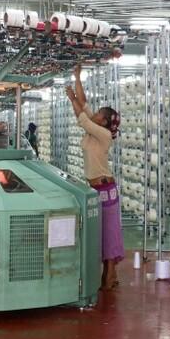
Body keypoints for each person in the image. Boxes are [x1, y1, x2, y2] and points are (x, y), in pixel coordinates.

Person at [65, 64, 123, 290]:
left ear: (105, 122)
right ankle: (112, 275)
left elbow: (83, 117)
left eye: (100, 114)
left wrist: (71, 99)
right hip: (96, 190)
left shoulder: (103, 134)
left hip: (105, 191)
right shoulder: (94, 129)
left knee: (108, 235)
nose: (96, 114)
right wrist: (77, 77)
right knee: (101, 234)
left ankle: (109, 277)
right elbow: (84, 104)